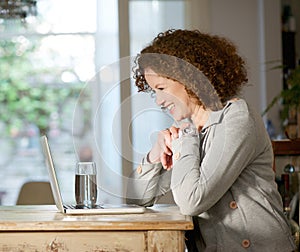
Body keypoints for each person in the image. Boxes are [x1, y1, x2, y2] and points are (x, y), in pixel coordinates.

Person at [126, 29, 296, 251]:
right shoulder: (187, 131)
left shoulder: (236, 117)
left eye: (161, 88)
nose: (158, 100)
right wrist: (154, 156)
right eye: (153, 91)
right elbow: (136, 201)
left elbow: (192, 200)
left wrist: (184, 141)